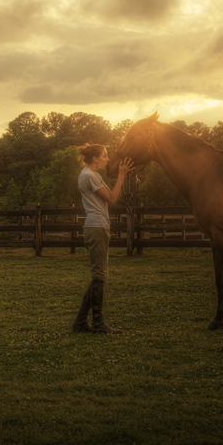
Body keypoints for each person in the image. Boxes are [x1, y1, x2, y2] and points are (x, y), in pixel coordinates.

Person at [72, 143, 134, 334]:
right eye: (105, 155)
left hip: (98, 226)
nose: (108, 159)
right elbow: (112, 199)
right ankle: (97, 323)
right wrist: (121, 175)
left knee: (100, 277)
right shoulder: (89, 176)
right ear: (95, 158)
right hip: (96, 227)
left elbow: (110, 195)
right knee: (99, 277)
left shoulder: (93, 175)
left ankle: (81, 322)